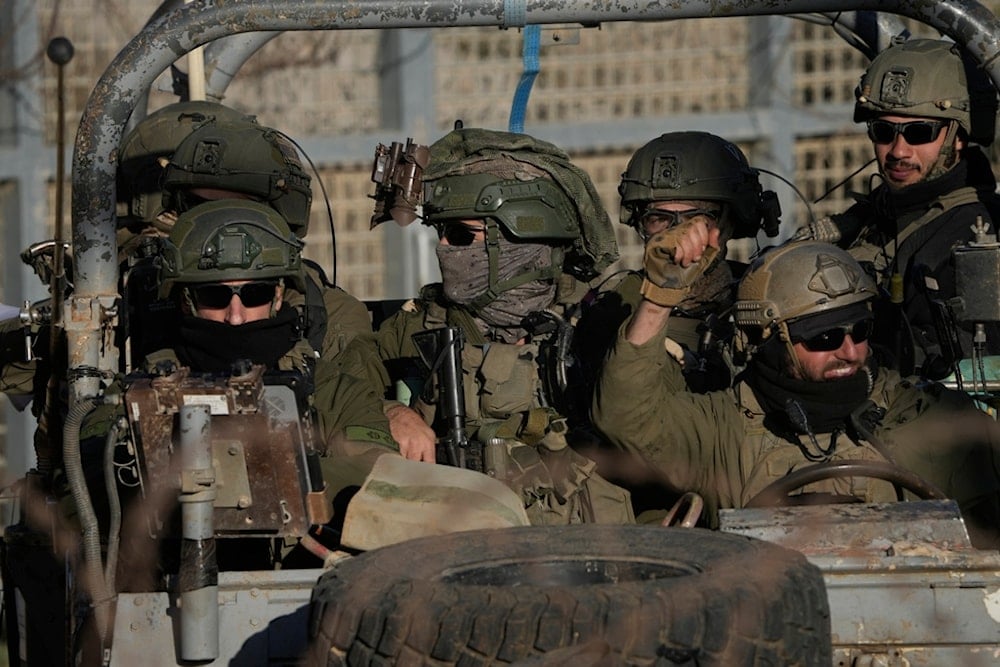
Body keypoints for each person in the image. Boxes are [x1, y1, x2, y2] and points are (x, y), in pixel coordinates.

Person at [592, 232, 1000, 549]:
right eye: (822, 337)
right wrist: (660, 298)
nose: (850, 350)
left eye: (860, 330)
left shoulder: (923, 418)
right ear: (768, 339)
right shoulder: (724, 429)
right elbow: (626, 417)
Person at [335, 126, 634, 526]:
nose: (443, 249)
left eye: (461, 235)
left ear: (520, 237)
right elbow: (337, 382)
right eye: (442, 233)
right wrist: (390, 412)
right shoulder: (423, 322)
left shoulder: (599, 321)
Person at [819, 37, 1000, 380]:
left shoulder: (978, 234)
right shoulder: (873, 217)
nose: (898, 151)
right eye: (884, 131)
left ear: (957, 137)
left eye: (919, 132)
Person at [574, 131, 780, 397]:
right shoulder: (612, 311)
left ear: (731, 221)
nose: (679, 236)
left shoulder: (765, 295)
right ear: (641, 225)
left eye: (697, 219)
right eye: (659, 219)